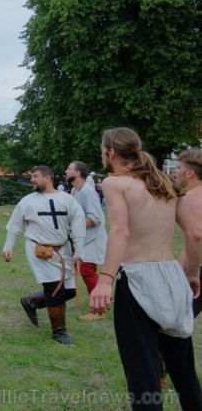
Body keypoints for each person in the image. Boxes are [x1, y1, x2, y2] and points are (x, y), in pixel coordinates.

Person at [89, 128, 201, 411]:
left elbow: (121, 231)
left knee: (143, 376)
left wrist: (104, 279)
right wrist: (192, 273)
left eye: (103, 150)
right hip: (173, 278)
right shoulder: (165, 182)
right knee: (183, 370)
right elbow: (195, 234)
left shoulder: (115, 183)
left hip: (138, 280)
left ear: (111, 152)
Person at [2, 165, 86, 345]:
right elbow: (14, 226)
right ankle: (59, 332)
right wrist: (8, 247)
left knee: (69, 290)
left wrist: (78, 253)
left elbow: (78, 228)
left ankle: (31, 302)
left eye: (35, 176)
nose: (32, 179)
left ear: (47, 178)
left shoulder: (68, 200)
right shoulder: (27, 201)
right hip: (39, 251)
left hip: (62, 250)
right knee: (55, 289)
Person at [65, 161, 108, 321]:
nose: (66, 171)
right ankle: (102, 298)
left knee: (87, 271)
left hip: (93, 239)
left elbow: (95, 218)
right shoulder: (74, 191)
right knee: (86, 270)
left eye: (69, 169)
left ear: (77, 173)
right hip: (81, 240)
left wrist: (73, 226)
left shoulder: (88, 191)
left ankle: (99, 310)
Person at [174, 148, 202, 317]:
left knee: (178, 322)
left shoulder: (188, 198)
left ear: (190, 173)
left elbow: (196, 236)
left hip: (197, 267)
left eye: (178, 168)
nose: (175, 172)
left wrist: (180, 268)